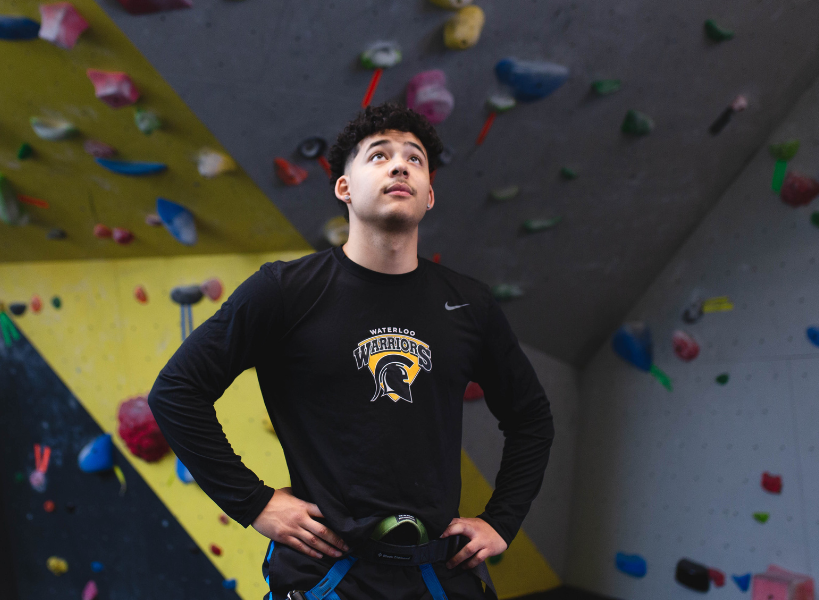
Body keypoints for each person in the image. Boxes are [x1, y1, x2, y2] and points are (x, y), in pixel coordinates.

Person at [148, 102, 554, 600]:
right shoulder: (284, 291)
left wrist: (503, 519)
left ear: (429, 195)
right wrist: (254, 503)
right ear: (344, 187)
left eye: (415, 159)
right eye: (379, 156)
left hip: (437, 576)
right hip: (327, 576)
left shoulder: (469, 304)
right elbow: (175, 391)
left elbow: (531, 416)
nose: (400, 165)